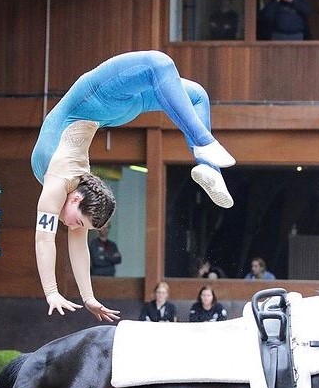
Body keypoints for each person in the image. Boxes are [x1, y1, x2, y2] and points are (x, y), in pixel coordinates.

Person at [32, 51, 236, 322]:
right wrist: (75, 296)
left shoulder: (57, 185)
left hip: (95, 96)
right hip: (112, 114)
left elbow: (45, 240)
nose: (73, 228)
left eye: (79, 225)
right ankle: (206, 157)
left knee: (169, 72)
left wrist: (64, 294)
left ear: (74, 200)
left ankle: (204, 152)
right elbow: (76, 247)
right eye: (81, 225)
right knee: (187, 89)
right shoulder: (75, 196)